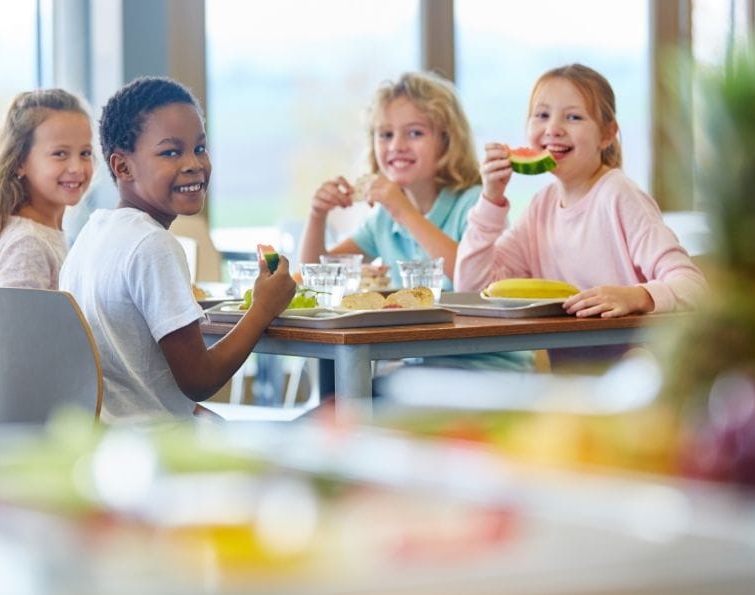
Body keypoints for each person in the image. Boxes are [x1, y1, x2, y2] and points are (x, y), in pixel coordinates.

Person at [59, 76, 296, 422]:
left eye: (199, 148)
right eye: (171, 152)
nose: (193, 164)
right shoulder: (153, 244)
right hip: (159, 445)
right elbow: (199, 380)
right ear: (122, 166)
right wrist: (263, 308)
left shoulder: (92, 233)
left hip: (105, 439)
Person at [455, 64, 707, 364]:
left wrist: (637, 296)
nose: (553, 129)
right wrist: (490, 199)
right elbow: (471, 287)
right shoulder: (540, 207)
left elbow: (692, 286)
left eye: (573, 117)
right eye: (542, 115)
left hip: (640, 375)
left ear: (607, 134)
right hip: (574, 385)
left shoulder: (618, 194)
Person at [300, 70, 533, 373]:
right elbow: (316, 279)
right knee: (343, 406)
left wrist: (403, 211)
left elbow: (473, 279)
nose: (397, 145)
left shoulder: (475, 203)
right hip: (420, 368)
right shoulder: (383, 219)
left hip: (489, 366)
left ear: (446, 142)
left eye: (415, 133)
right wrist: (317, 216)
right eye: (385, 134)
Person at [0, 89, 95, 371]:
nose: (77, 167)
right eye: (60, 154)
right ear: (20, 163)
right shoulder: (28, 244)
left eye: (85, 153)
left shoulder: (43, 233)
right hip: (35, 407)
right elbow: (20, 350)